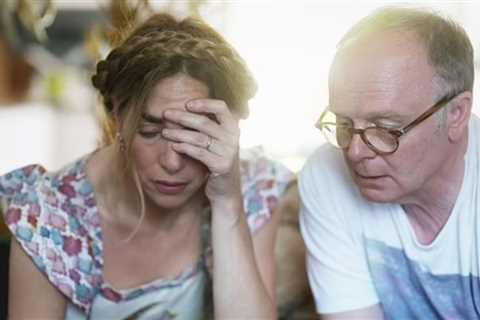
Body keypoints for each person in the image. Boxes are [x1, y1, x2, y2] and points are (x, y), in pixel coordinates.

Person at [0, 12, 294, 319]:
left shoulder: (251, 189)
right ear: (117, 115)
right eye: (150, 131)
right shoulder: (48, 214)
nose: (171, 161)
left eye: (193, 136)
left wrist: (227, 202)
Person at [299, 6, 479, 319]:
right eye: (343, 123)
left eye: (384, 128)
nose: (355, 152)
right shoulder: (326, 175)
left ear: (456, 114)